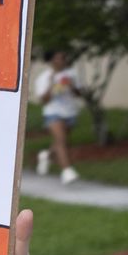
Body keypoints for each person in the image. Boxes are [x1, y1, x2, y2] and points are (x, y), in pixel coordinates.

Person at [33, 49, 83, 184]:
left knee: (60, 142)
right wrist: (51, 84)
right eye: (57, 58)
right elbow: (44, 100)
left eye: (62, 58)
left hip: (70, 112)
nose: (60, 61)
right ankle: (67, 171)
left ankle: (46, 156)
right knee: (61, 141)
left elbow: (79, 94)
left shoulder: (71, 74)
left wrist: (72, 85)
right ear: (51, 61)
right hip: (53, 113)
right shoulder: (44, 77)